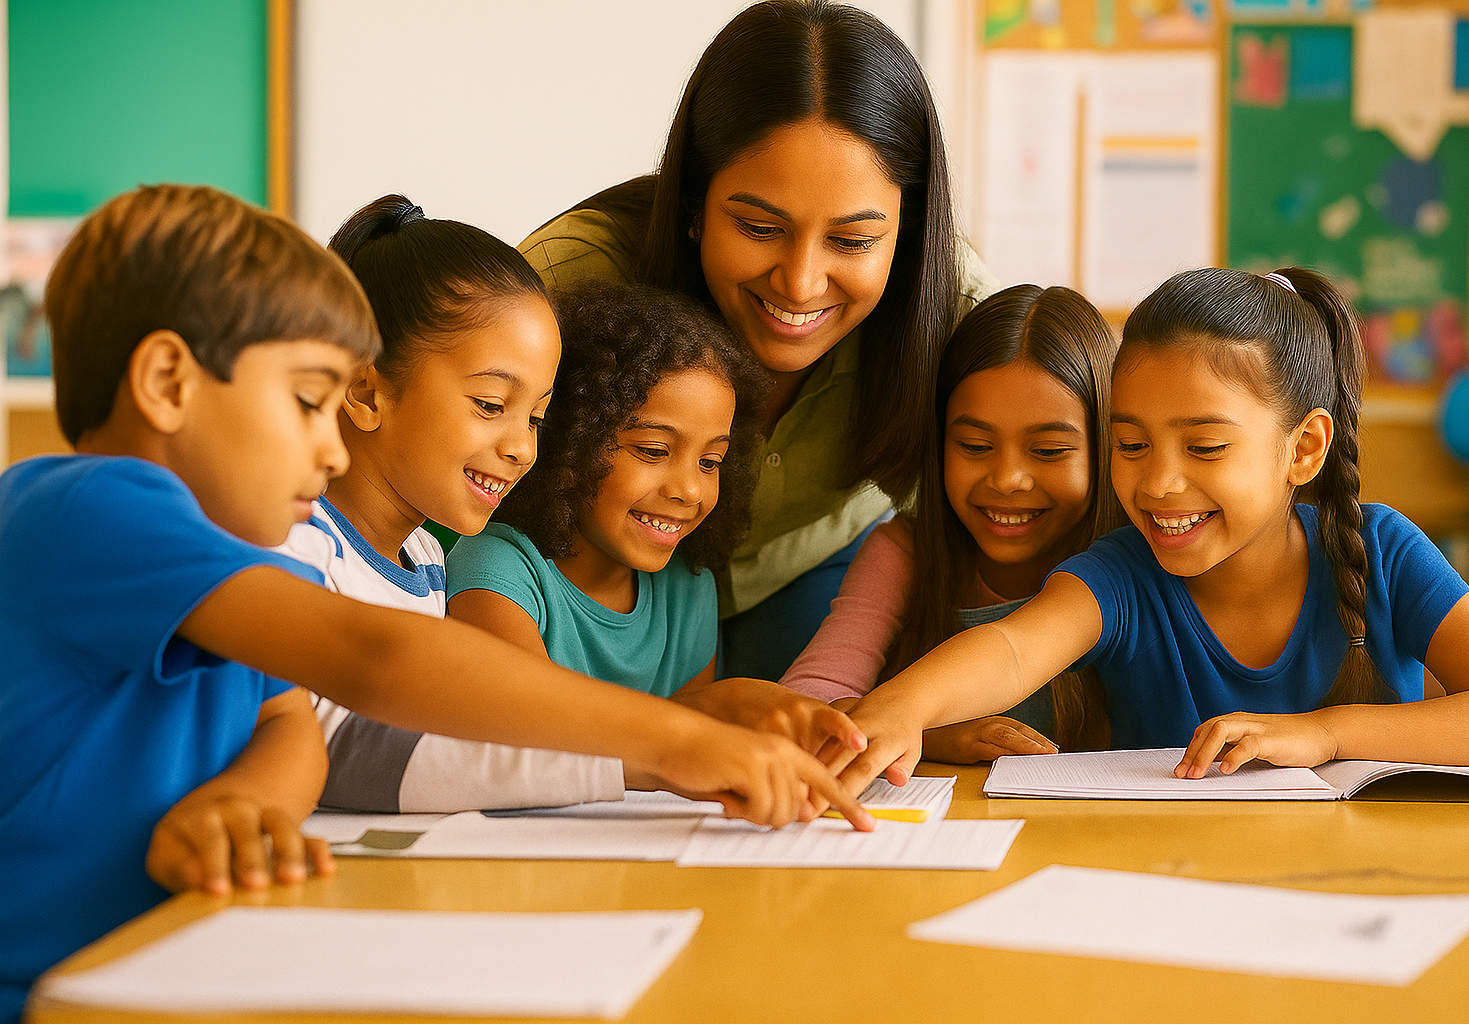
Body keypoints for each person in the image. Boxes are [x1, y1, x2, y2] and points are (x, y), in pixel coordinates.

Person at [0, 186, 871, 1024]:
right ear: (166, 382)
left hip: (170, 969)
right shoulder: (87, 506)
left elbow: (290, 729)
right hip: (48, 987)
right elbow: (372, 664)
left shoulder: (252, 571)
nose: (325, 441)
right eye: (308, 400)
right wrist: (677, 740)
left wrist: (248, 803)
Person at [829, 266, 1469, 797]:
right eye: (1132, 445)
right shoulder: (1120, 573)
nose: (1160, 483)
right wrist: (904, 706)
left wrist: (1327, 732)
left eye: (1203, 447)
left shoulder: (1383, 551)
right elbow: (1012, 650)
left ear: (1304, 449)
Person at [519, 0, 1000, 679]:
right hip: (584, 590)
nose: (801, 285)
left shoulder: (961, 308)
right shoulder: (567, 285)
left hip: (815, 583)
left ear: (909, 229)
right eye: (760, 228)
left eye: (853, 240)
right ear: (693, 203)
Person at [277, 196, 640, 813]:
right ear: (367, 391)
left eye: (537, 417)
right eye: (492, 406)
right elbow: (345, 750)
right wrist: (646, 759)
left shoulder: (423, 556)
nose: (523, 448)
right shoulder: (293, 544)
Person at [447, 281, 860, 753]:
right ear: (568, 441)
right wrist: (712, 710)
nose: (687, 490)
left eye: (710, 462)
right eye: (652, 450)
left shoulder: (686, 585)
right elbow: (537, 734)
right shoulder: (494, 571)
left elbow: (679, 766)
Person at [781, 285, 1121, 761]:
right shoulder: (905, 552)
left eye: (1047, 452)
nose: (1006, 480)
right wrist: (933, 736)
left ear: (1107, 446)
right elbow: (806, 703)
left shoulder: (1131, 563)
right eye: (975, 447)